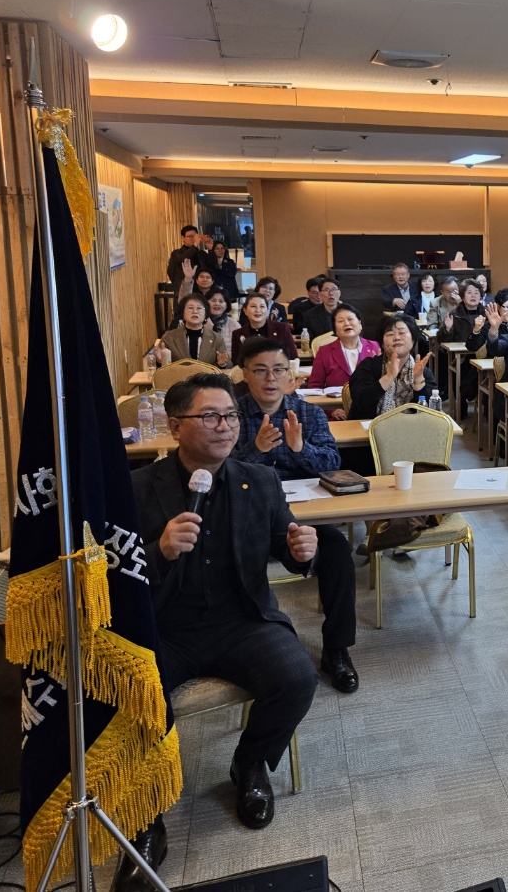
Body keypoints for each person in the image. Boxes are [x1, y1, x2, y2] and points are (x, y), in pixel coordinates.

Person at [124, 373, 318, 876]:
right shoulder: (137, 488)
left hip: (241, 621)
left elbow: (285, 545)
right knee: (134, 695)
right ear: (175, 427)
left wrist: (300, 552)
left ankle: (249, 764)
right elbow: (110, 573)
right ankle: (147, 812)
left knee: (297, 677)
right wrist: (158, 551)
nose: (226, 426)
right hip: (165, 627)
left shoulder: (260, 481)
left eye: (230, 415)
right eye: (209, 416)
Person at [231, 339, 359, 693]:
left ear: (290, 374)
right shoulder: (231, 415)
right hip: (247, 515)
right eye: (260, 370)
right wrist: (255, 449)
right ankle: (248, 647)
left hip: (302, 516)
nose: (270, 378)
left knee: (337, 551)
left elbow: (333, 463)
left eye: (278, 370)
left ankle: (336, 649)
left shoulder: (308, 413)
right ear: (245, 374)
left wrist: (300, 448)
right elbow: (218, 470)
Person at [347, 315, 437, 420]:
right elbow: (360, 402)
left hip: (411, 428)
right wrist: (388, 377)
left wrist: (418, 382)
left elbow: (432, 413)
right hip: (369, 428)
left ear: (413, 340)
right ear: (382, 343)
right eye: (390, 334)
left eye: (402, 333)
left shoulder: (422, 372)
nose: (397, 338)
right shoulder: (368, 366)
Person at [308, 305, 381, 414]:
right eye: (341, 321)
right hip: (337, 413)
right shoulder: (324, 352)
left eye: (350, 319)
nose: (347, 323)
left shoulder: (375, 347)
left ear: (360, 324)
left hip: (370, 411)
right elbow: (314, 388)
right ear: (335, 328)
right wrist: (331, 410)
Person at [439, 281, 491, 409]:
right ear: (462, 296)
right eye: (469, 293)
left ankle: (486, 407)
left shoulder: (488, 314)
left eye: (476, 293)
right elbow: (442, 340)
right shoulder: (454, 314)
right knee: (460, 370)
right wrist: (447, 329)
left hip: (483, 356)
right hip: (462, 357)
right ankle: (461, 406)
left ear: (481, 296)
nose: (473, 296)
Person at [160, 293, 228, 366]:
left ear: (206, 314)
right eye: (190, 308)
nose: (195, 311)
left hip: (207, 374)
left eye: (199, 308)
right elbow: (161, 365)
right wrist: (159, 360)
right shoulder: (169, 337)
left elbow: (229, 364)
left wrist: (222, 364)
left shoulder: (216, 338)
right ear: (183, 313)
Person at [233, 292, 298, 363]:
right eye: (253, 306)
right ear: (245, 310)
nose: (258, 310)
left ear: (267, 310)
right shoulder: (238, 334)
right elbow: (237, 362)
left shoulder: (282, 328)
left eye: (262, 306)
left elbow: (293, 357)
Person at [206, 288, 239, 354]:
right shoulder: (200, 323)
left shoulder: (234, 325)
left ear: (226, 305)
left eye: (221, 301)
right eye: (213, 301)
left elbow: (239, 350)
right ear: (205, 303)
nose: (217, 304)